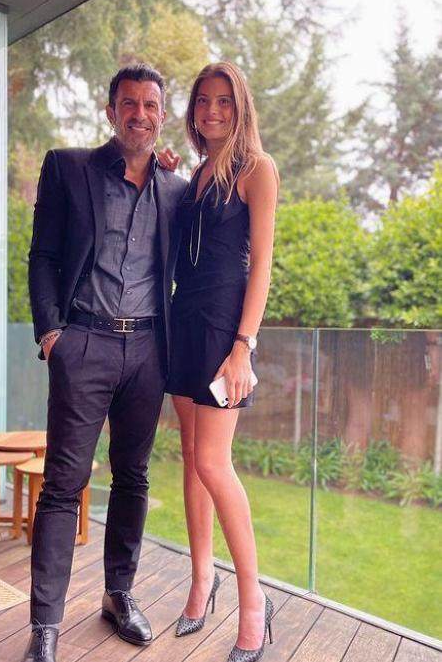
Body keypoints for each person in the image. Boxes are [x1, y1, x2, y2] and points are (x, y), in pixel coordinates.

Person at [24, 63, 187, 662]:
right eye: (129, 103)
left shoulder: (177, 189)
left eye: (150, 105)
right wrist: (52, 334)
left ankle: (119, 594)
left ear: (162, 116)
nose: (139, 114)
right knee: (63, 487)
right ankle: (45, 625)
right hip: (84, 344)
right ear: (111, 110)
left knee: (133, 478)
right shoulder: (68, 168)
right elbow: (42, 255)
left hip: (148, 351)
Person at [161, 62, 279, 662]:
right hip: (182, 320)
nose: (212, 110)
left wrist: (243, 346)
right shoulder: (197, 175)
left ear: (241, 108)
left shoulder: (257, 168)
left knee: (213, 461)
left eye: (224, 101)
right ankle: (201, 580)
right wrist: (166, 174)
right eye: (204, 100)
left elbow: (261, 266)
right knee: (192, 461)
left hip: (222, 330)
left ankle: (255, 602)